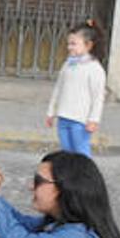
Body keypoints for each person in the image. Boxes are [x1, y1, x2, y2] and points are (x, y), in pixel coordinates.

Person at [46, 20, 107, 158]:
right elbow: (58, 88)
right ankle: (71, 178)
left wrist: (93, 119)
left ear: (88, 45)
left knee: (81, 153)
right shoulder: (68, 64)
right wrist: (51, 111)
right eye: (69, 43)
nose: (69, 47)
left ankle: (86, 177)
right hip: (63, 117)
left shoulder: (95, 69)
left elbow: (98, 97)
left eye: (74, 44)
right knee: (67, 153)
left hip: (80, 121)